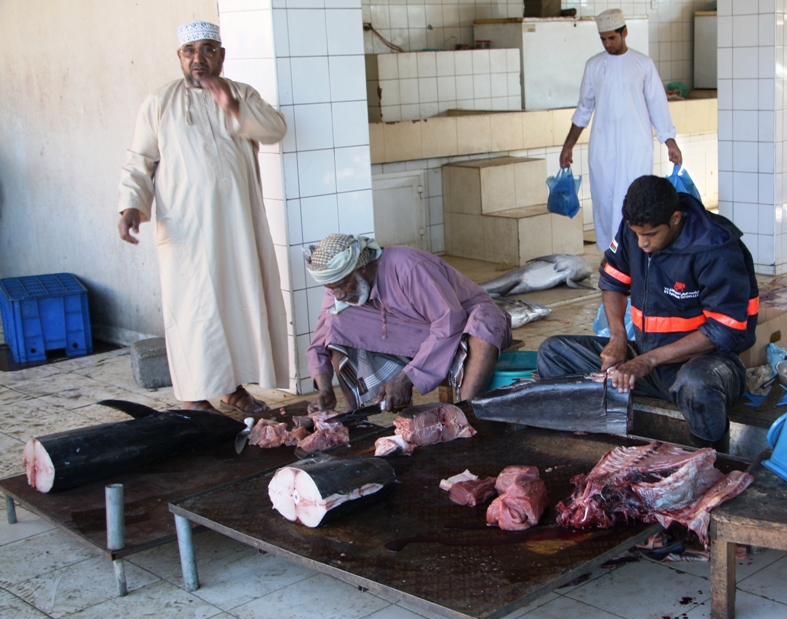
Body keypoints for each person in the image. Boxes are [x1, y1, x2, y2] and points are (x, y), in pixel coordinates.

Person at [117, 21, 289, 414]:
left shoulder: (241, 93)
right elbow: (140, 159)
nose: (199, 58)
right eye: (190, 50)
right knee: (195, 310)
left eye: (208, 49)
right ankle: (194, 396)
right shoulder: (160, 101)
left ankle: (234, 389)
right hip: (187, 229)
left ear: (221, 56)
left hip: (237, 226)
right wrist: (131, 205)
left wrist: (231, 106)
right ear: (180, 56)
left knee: (238, 303)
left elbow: (275, 129)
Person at [537, 176, 759, 450]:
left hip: (706, 365)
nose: (642, 243)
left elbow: (723, 330)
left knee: (696, 384)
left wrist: (648, 360)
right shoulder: (635, 230)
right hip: (646, 359)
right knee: (553, 352)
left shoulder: (716, 248)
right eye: (636, 233)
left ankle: (709, 458)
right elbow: (612, 282)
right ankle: (591, 445)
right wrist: (617, 338)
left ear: (675, 218)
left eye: (651, 235)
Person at [305, 234, 513, 413]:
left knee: (484, 321)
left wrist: (407, 378)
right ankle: (356, 418)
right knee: (335, 322)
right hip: (415, 330)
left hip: (463, 322)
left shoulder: (409, 267)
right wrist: (325, 390)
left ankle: (466, 413)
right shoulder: (341, 283)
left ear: (363, 269)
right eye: (332, 288)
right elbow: (321, 339)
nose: (339, 294)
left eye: (342, 285)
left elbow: (449, 321)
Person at [560, 8, 682, 251]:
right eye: (603, 39)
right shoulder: (594, 65)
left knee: (635, 200)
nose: (608, 44)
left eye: (612, 38)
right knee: (604, 202)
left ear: (624, 32)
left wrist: (669, 141)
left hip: (636, 146)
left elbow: (657, 105)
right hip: (603, 148)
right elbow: (584, 109)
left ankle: (635, 254)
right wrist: (568, 145)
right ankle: (610, 256)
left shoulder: (642, 65)